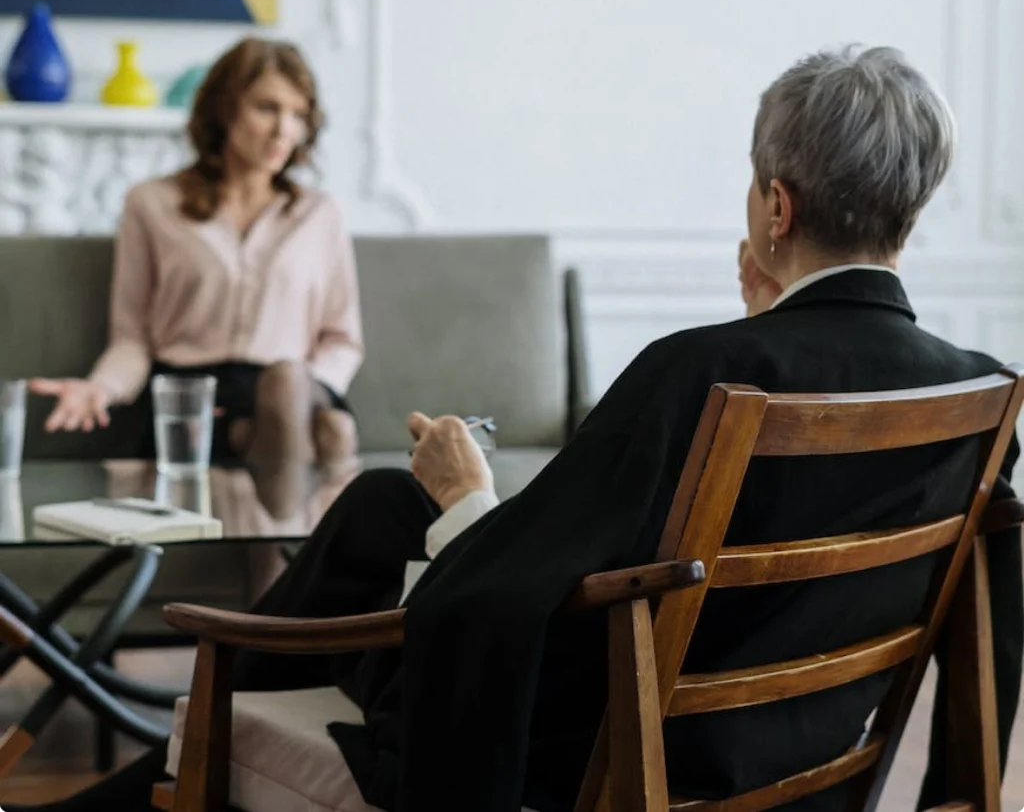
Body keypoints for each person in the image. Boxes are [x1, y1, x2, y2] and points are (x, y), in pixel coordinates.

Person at [10, 46, 1020, 812]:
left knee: (407, 507)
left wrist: (468, 498)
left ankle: (175, 758)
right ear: (912, 208)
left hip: (593, 739)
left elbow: (506, 596)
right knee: (376, 501)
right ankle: (173, 758)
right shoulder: (976, 398)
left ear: (773, 206)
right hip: (782, 743)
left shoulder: (703, 372)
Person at [29, 37, 363, 466]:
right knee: (330, 433)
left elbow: (342, 340)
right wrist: (100, 389)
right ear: (225, 110)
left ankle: (287, 426)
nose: (285, 130)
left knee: (294, 396)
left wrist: (296, 393)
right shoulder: (151, 204)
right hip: (191, 402)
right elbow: (132, 340)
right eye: (267, 108)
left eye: (298, 114)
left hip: (298, 395)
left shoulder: (320, 214)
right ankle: (296, 517)